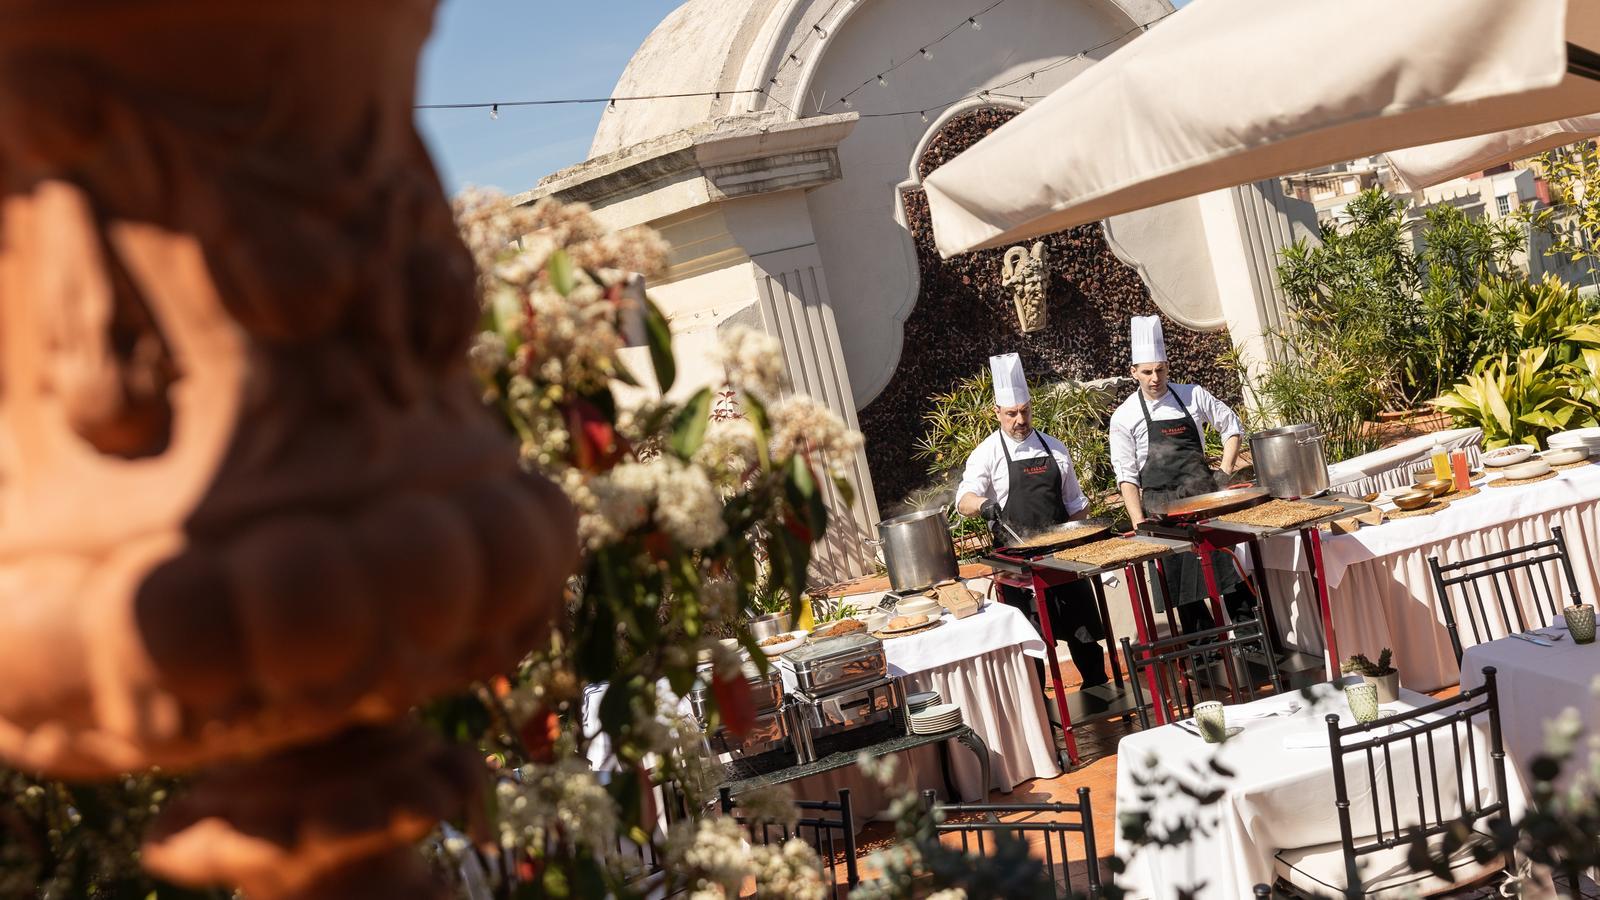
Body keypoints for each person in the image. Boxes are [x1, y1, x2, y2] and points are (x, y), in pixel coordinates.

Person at [956, 353, 1110, 687]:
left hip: (1062, 560)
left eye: (1024, 411)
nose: (1019, 419)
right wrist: (983, 506)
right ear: (996, 412)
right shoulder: (987, 453)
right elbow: (963, 500)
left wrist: (1081, 540)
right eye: (1011, 413)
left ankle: (1100, 695)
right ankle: (1040, 714)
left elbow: (1075, 503)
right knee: (1032, 649)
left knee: (1084, 638)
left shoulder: (1054, 448)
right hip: (1019, 567)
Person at [1109, 316, 1255, 633]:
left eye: (1160, 370)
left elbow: (1232, 428)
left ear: (1168, 367)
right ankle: (1204, 656)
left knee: (1228, 572)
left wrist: (1224, 473)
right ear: (1134, 372)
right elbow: (1127, 475)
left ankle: (1252, 640)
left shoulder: (1193, 395)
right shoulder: (1125, 416)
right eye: (1147, 372)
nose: (1154, 378)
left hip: (1203, 499)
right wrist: (1139, 522)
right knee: (1182, 588)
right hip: (1160, 508)